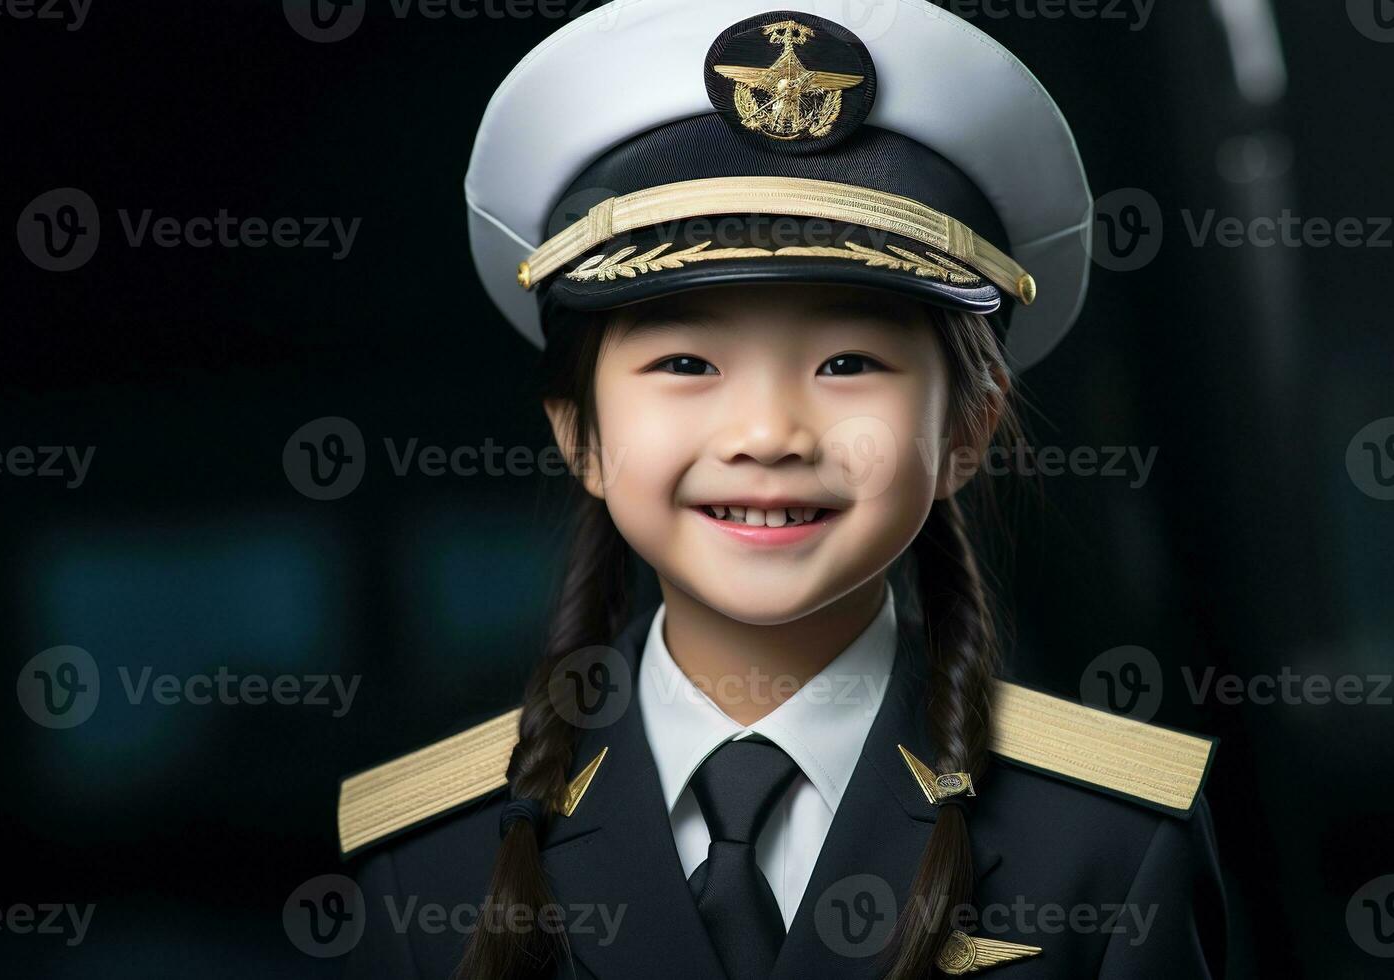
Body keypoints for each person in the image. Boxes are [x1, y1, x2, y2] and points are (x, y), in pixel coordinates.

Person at [337, 2, 1226, 977]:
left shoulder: (1105, 841)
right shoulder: (432, 855)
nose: (767, 434)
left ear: (967, 427)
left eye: (848, 361)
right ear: (578, 433)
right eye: (685, 359)